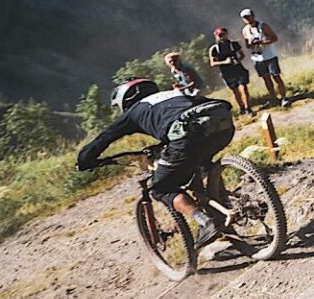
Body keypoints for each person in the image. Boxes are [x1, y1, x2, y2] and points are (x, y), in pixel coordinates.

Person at [75, 78, 236, 247]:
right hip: (223, 125)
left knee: (161, 188)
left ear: (125, 99)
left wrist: (85, 160)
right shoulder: (172, 94)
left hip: (187, 135)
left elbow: (105, 137)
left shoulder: (134, 111)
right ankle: (222, 204)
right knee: (203, 164)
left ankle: (206, 222)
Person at [240, 8, 290, 108]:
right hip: (257, 58)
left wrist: (262, 42)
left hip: (270, 56)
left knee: (276, 77)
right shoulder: (245, 30)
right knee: (266, 79)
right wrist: (251, 44)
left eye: (248, 16)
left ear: (253, 16)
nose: (247, 19)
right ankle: (273, 98)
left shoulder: (263, 26)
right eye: (245, 18)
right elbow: (247, 45)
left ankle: (284, 97)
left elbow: (274, 38)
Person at [206, 26, 253, 116]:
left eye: (223, 34)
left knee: (244, 88)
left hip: (238, 68)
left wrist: (237, 61)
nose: (221, 37)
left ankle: (248, 108)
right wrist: (225, 62)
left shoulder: (234, 44)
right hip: (227, 72)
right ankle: (241, 108)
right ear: (216, 36)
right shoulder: (214, 49)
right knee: (235, 91)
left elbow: (242, 55)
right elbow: (212, 63)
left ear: (227, 34)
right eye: (219, 35)